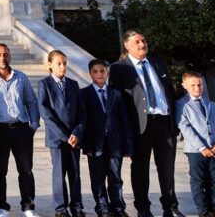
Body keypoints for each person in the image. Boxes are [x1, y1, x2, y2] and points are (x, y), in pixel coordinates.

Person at [109, 30, 183, 217]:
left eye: (144, 40)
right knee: (140, 168)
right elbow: (118, 102)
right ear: (127, 45)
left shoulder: (158, 63)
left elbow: (170, 93)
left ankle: (170, 207)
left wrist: (176, 121)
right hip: (140, 126)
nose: (143, 44)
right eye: (138, 42)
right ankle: (143, 208)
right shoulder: (119, 68)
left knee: (167, 168)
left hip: (165, 123)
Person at [0, 43, 40, 217]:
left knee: (26, 170)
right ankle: (2, 207)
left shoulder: (21, 77)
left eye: (5, 54)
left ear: (10, 55)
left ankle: (28, 206)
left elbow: (31, 102)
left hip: (21, 129)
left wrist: (33, 125)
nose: (2, 58)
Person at [80, 60, 133, 217]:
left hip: (115, 144)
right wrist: (86, 146)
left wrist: (128, 145)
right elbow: (83, 121)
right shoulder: (84, 94)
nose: (99, 74)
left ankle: (118, 207)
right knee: (98, 178)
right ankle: (103, 207)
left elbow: (125, 120)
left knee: (115, 177)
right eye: (95, 71)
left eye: (102, 71)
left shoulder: (117, 93)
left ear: (107, 73)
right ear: (90, 74)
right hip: (95, 145)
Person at [38, 51, 86, 217]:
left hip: (75, 138)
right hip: (57, 139)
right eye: (59, 63)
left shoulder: (73, 84)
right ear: (50, 64)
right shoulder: (44, 84)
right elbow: (46, 113)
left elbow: (81, 112)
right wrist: (65, 136)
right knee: (59, 173)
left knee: (75, 174)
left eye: (65, 63)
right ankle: (60, 208)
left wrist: (76, 133)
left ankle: (77, 207)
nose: (63, 66)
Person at [175, 72, 215, 217]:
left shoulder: (211, 104)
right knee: (198, 180)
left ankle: (214, 209)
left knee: (213, 180)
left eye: (200, 84)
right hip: (195, 151)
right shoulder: (182, 105)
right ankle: (203, 211)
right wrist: (202, 147)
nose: (197, 88)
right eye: (193, 85)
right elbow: (185, 127)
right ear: (184, 86)